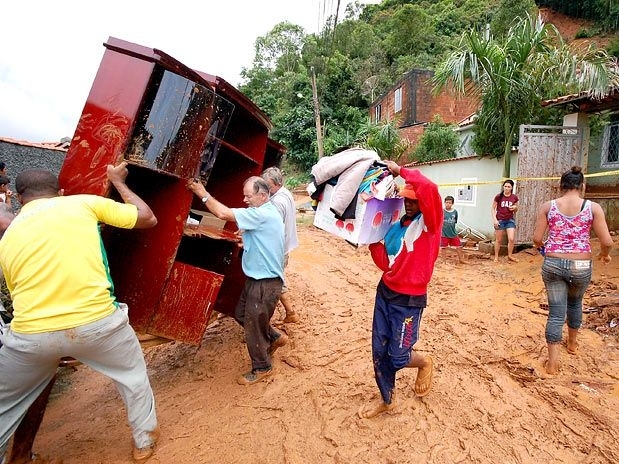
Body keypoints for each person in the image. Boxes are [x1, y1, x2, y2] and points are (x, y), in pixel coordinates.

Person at [0, 162, 160, 463]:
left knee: (3, 404)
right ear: (60, 193)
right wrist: (118, 182)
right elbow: (148, 218)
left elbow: (16, 289)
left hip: (32, 337)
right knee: (133, 377)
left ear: (20, 198)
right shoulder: (83, 203)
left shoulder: (9, 236)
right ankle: (143, 441)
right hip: (97, 325)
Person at [359, 161, 442, 419]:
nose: (409, 204)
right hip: (385, 293)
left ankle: (424, 361)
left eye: (415, 201)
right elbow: (386, 263)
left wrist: (400, 171)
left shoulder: (431, 225)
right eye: (407, 199)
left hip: (409, 300)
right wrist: (370, 241)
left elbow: (429, 188)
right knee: (379, 351)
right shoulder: (397, 227)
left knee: (398, 355)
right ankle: (387, 398)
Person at [187, 176, 289, 385]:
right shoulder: (267, 213)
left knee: (252, 324)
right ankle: (275, 337)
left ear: (262, 195)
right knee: (241, 313)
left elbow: (223, 213)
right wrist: (249, 241)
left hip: (265, 283)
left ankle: (262, 367)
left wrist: (201, 193)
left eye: (248, 196)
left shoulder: (261, 214)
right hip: (258, 280)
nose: (244, 199)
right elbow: (264, 239)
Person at [532, 166, 613, 376]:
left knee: (556, 312)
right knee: (576, 303)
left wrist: (544, 250)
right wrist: (604, 255)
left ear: (561, 186)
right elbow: (607, 241)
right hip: (581, 266)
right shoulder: (593, 208)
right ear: (582, 186)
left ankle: (552, 363)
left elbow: (537, 239)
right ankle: (573, 344)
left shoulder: (547, 207)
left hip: (553, 264)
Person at [261, 166, 300, 323]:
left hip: (276, 250)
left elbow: (271, 230)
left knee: (274, 285)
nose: (266, 189)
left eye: (268, 186)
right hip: (284, 247)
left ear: (277, 183)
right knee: (278, 280)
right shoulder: (286, 193)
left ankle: (289, 314)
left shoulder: (277, 202)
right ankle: (290, 313)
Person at [491, 179, 519, 263]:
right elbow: (492, 208)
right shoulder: (498, 196)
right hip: (500, 220)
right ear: (503, 187)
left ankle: (510, 255)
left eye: (509, 187)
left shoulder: (514, 197)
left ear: (511, 188)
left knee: (511, 238)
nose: (507, 188)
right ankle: (496, 256)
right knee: (498, 240)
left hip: (510, 220)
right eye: (505, 186)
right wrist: (495, 220)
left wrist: (515, 208)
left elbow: (516, 209)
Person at [441, 195, 466, 264]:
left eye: (449, 203)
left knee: (459, 246)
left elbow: (455, 221)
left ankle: (461, 260)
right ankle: (443, 261)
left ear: (452, 204)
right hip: (443, 233)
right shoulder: (441, 211)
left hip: (453, 232)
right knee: (444, 247)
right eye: (446, 202)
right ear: (444, 203)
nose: (448, 204)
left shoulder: (455, 212)